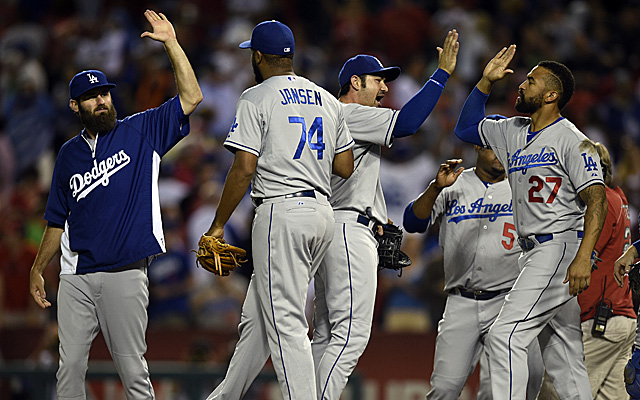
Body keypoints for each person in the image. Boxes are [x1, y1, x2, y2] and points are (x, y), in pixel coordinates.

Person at [28, 9, 202, 399]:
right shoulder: (68, 155)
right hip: (75, 276)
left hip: (125, 273)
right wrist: (39, 270)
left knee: (132, 372)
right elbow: (56, 220)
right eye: (91, 98)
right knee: (68, 371)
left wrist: (172, 44)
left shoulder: (140, 130)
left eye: (104, 93)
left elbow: (191, 98)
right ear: (75, 107)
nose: (101, 101)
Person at [202, 20, 354, 400]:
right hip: (322, 214)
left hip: (282, 211)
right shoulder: (326, 98)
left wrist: (218, 224)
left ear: (256, 56)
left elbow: (244, 167)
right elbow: (345, 166)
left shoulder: (256, 97)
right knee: (259, 319)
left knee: (285, 320)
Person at [453, 45, 607, 399]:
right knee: (564, 353)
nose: (522, 84)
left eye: (532, 81)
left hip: (557, 247)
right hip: (534, 252)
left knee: (505, 335)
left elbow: (597, 200)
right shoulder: (511, 131)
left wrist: (584, 255)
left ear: (551, 95)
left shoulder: (573, 140)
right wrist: (484, 82)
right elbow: (465, 128)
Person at [311, 30, 459, 400]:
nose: (384, 88)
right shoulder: (349, 113)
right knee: (351, 335)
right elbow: (407, 124)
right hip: (346, 232)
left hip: (335, 228)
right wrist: (440, 75)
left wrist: (377, 218)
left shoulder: (334, 117)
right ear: (355, 82)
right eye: (378, 80)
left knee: (327, 336)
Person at [402, 144, 543, 400]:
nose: (501, 155)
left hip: (508, 303)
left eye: (506, 147)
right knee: (444, 390)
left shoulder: (522, 186)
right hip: (461, 302)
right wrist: (436, 188)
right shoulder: (454, 183)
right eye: (494, 148)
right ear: (478, 147)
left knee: (527, 381)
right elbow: (413, 222)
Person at [537, 142, 635, 399]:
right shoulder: (618, 197)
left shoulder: (600, 203)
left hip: (598, 322)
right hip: (620, 319)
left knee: (556, 392)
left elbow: (583, 261)